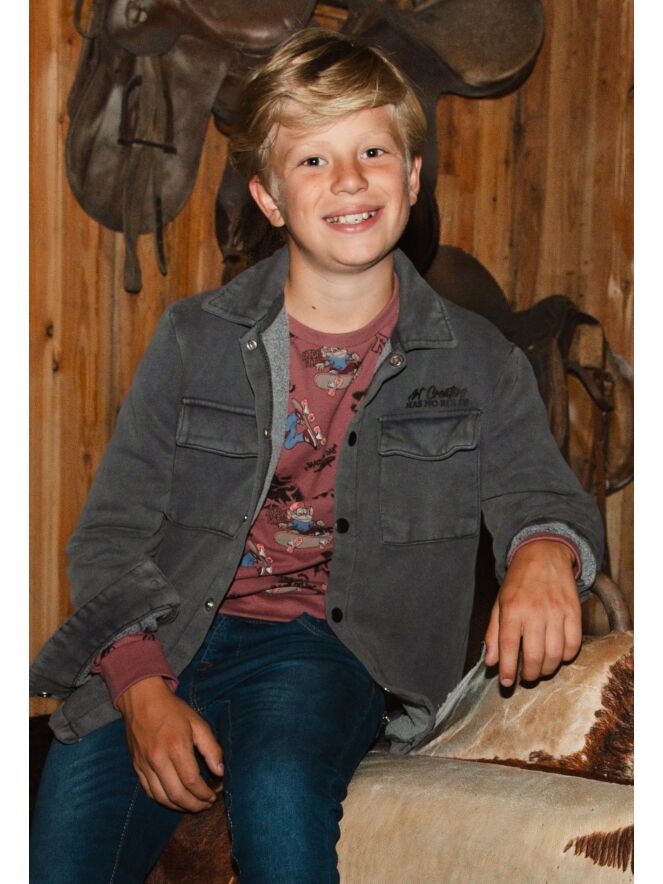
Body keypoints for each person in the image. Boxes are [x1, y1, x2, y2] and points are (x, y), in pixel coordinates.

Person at [30, 28, 603, 884]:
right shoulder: (191, 339)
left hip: (323, 650)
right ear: (268, 198)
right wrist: (141, 689)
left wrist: (545, 551)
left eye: (373, 150)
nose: (349, 179)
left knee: (281, 795)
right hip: (165, 636)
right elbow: (108, 536)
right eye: (312, 160)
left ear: (412, 176)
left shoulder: (480, 360)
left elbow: (541, 492)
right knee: (62, 853)